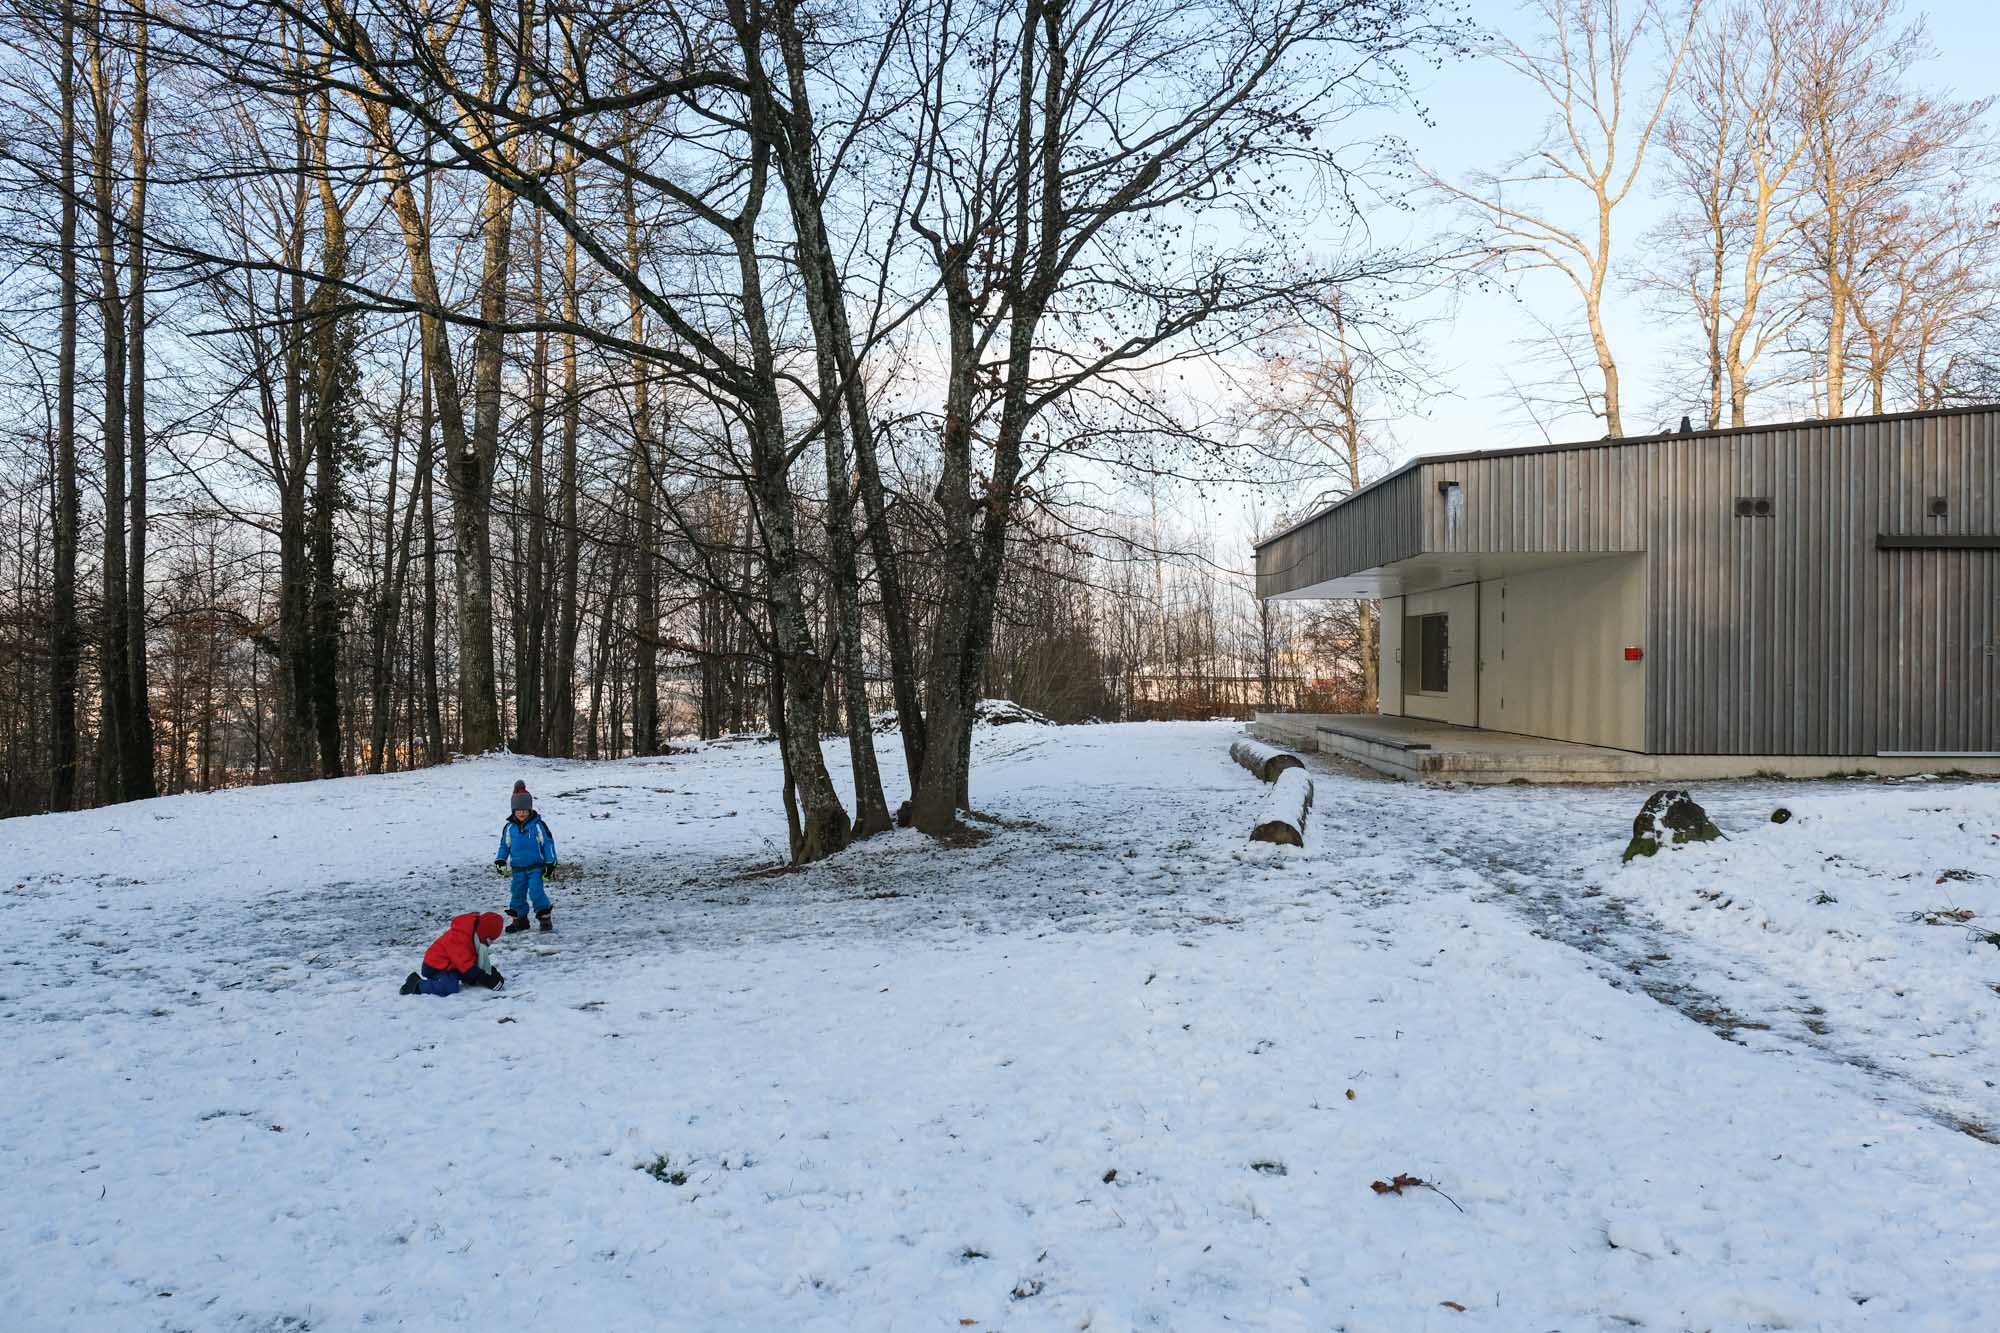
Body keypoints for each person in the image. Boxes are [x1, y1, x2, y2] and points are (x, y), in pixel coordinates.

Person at [496, 780, 558, 933]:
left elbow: (548, 844)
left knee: (536, 891)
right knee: (517, 892)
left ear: (530, 809)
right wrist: (501, 860)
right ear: (513, 811)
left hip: (536, 867)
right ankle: (520, 920)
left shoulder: (538, 826)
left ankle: (544, 917)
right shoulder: (509, 828)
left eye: (525, 809)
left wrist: (550, 864)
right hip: (518, 868)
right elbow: (504, 846)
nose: (522, 813)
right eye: (518, 810)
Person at [401, 911, 505, 996]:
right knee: (449, 987)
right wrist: (486, 979)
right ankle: (416, 984)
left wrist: (490, 973)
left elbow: (473, 961)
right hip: (435, 967)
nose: (490, 943)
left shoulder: (474, 936)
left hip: (453, 966)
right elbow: (466, 965)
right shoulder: (460, 937)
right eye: (490, 939)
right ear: (483, 932)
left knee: (471, 976)